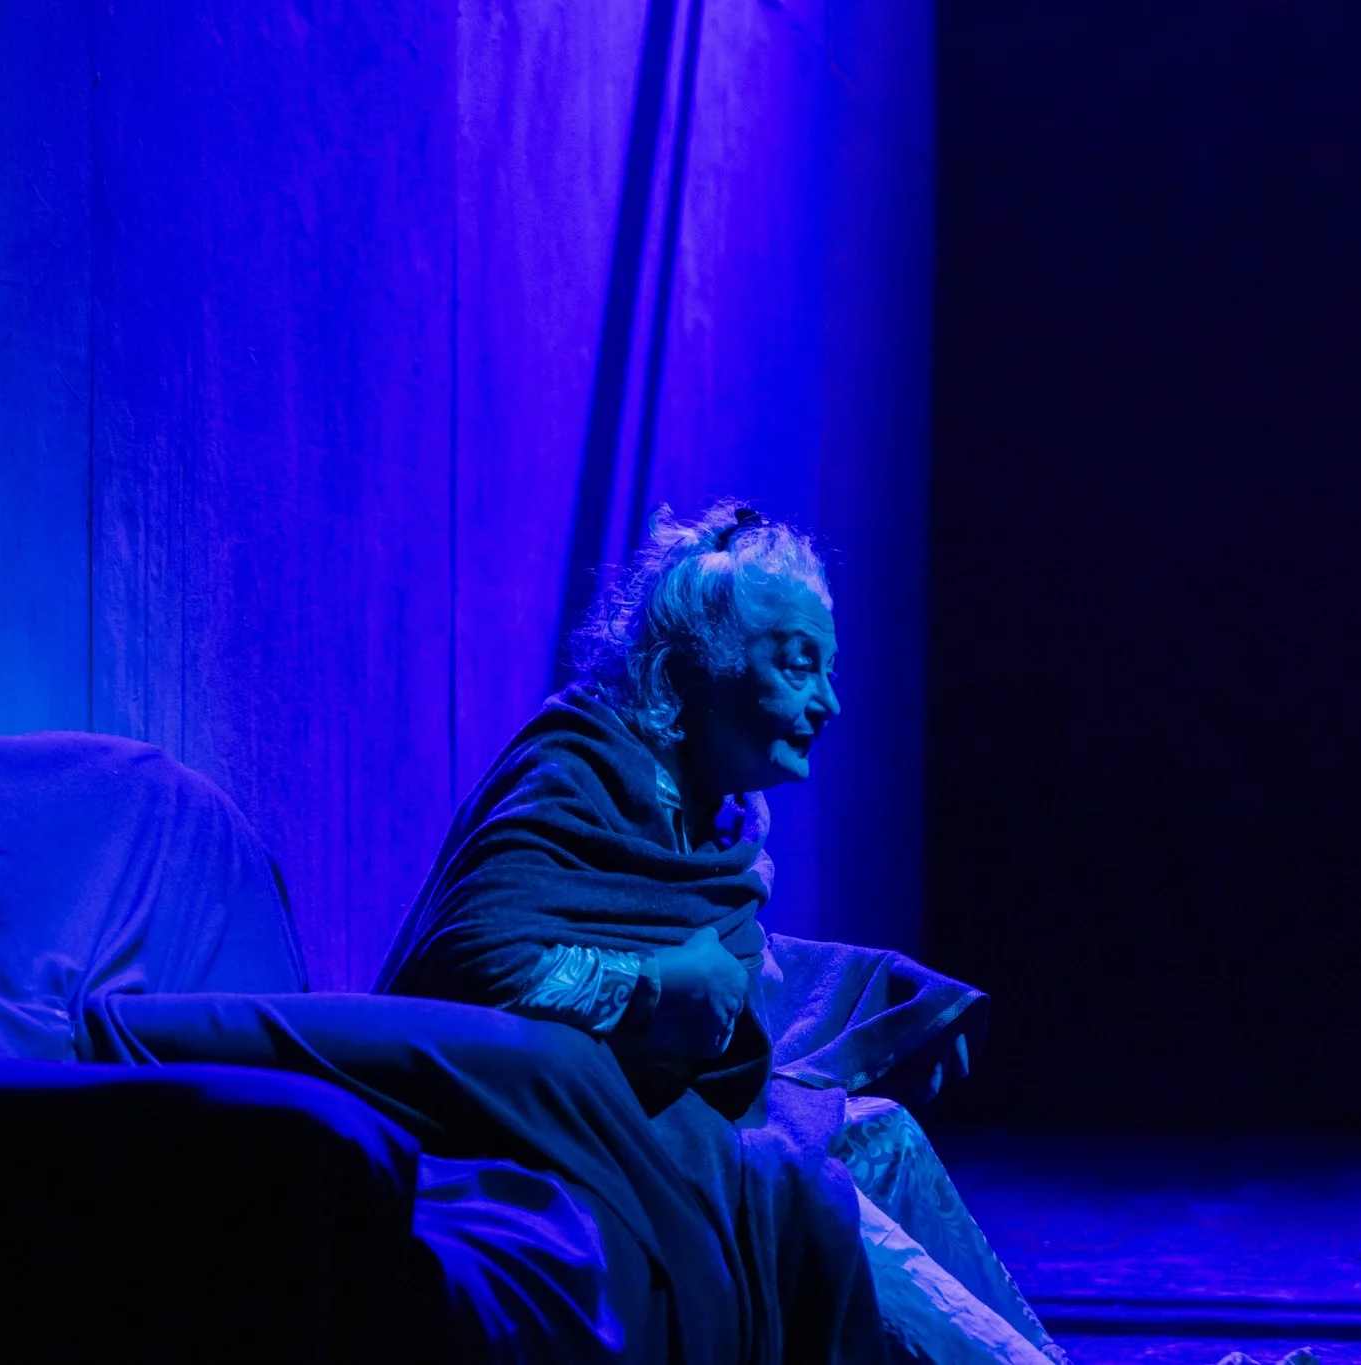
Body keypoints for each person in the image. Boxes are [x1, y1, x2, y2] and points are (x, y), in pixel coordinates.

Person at [377, 500, 1068, 1364]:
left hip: (645, 1114)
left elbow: (725, 969)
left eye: (830, 669)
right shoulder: (578, 768)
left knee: (881, 1133)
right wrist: (652, 987)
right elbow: (468, 958)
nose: (830, 701)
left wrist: (887, 995)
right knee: (809, 1191)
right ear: (693, 667)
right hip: (543, 1135)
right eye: (799, 664)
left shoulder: (713, 816)